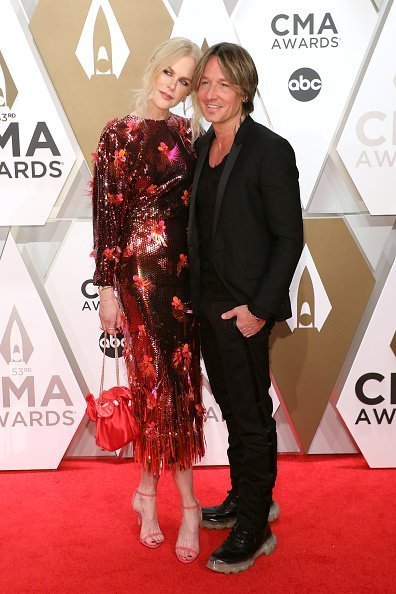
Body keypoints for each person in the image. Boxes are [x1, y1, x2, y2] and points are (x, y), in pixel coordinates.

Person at [189, 42, 303, 573]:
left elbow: (289, 238)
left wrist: (259, 308)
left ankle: (254, 524)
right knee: (235, 412)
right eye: (204, 83)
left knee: (253, 418)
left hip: (244, 314)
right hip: (207, 309)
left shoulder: (269, 149)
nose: (210, 94)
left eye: (223, 85)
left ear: (244, 91)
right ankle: (244, 496)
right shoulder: (202, 149)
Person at [92, 37, 204, 564]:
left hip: (183, 284)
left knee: (179, 387)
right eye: (168, 73)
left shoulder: (190, 134)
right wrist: (108, 289)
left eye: (185, 81)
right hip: (138, 283)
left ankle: (150, 494)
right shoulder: (119, 133)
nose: (173, 86)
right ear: (152, 67)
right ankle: (173, 501)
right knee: (154, 385)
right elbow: (107, 218)